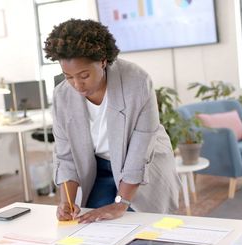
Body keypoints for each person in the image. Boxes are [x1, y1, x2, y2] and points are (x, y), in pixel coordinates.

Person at [43, 19, 181, 223]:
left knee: (142, 228)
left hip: (144, 164)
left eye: (84, 75)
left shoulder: (137, 82)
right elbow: (65, 156)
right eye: (69, 77)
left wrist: (120, 203)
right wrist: (67, 202)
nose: (77, 85)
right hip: (97, 166)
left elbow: (141, 149)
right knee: (93, 225)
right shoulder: (62, 95)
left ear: (103, 61)